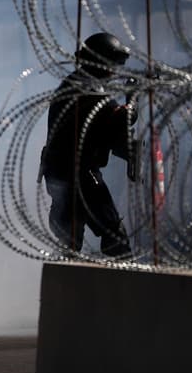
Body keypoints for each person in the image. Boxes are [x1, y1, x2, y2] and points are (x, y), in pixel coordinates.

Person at [40, 32, 134, 258]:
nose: (114, 71)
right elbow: (119, 119)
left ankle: (64, 287)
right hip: (78, 175)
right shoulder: (87, 89)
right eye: (112, 64)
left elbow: (104, 131)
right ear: (101, 62)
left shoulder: (74, 84)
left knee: (70, 241)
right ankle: (119, 288)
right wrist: (133, 99)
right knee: (115, 237)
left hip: (61, 174)